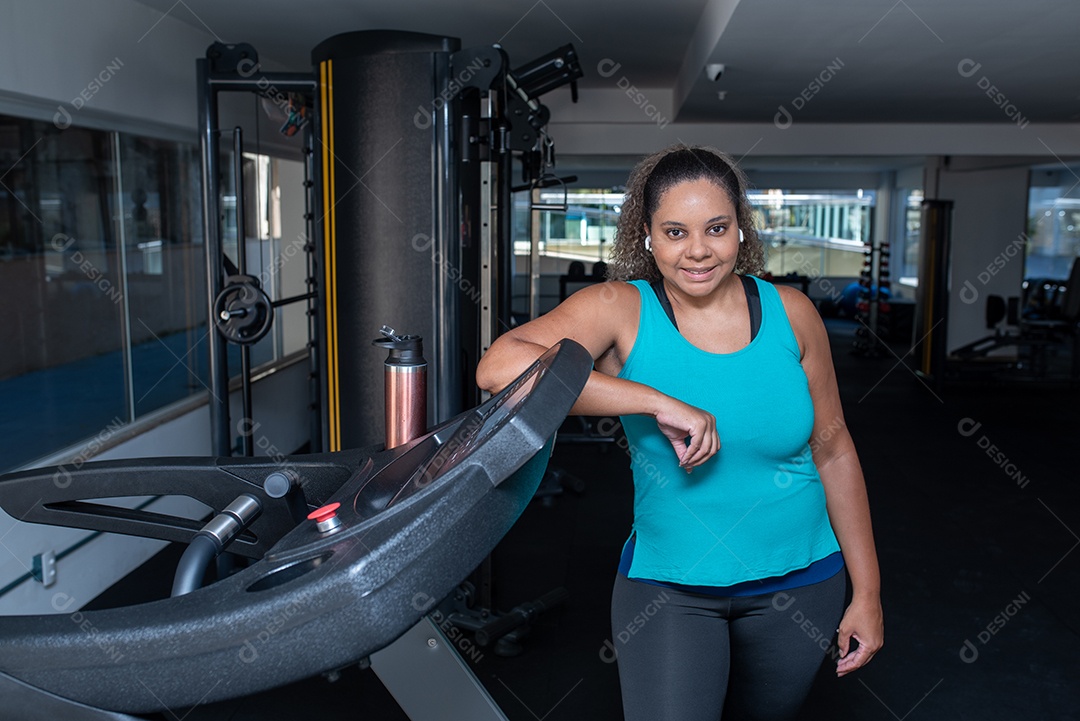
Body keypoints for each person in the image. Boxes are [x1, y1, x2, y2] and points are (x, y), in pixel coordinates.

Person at [475, 145, 883, 721]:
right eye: (675, 231)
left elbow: (835, 450)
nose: (697, 250)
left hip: (804, 581)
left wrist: (868, 594)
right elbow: (498, 370)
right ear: (646, 235)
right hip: (670, 588)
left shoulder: (791, 312)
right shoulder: (620, 307)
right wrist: (655, 401)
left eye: (716, 228)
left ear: (740, 228)